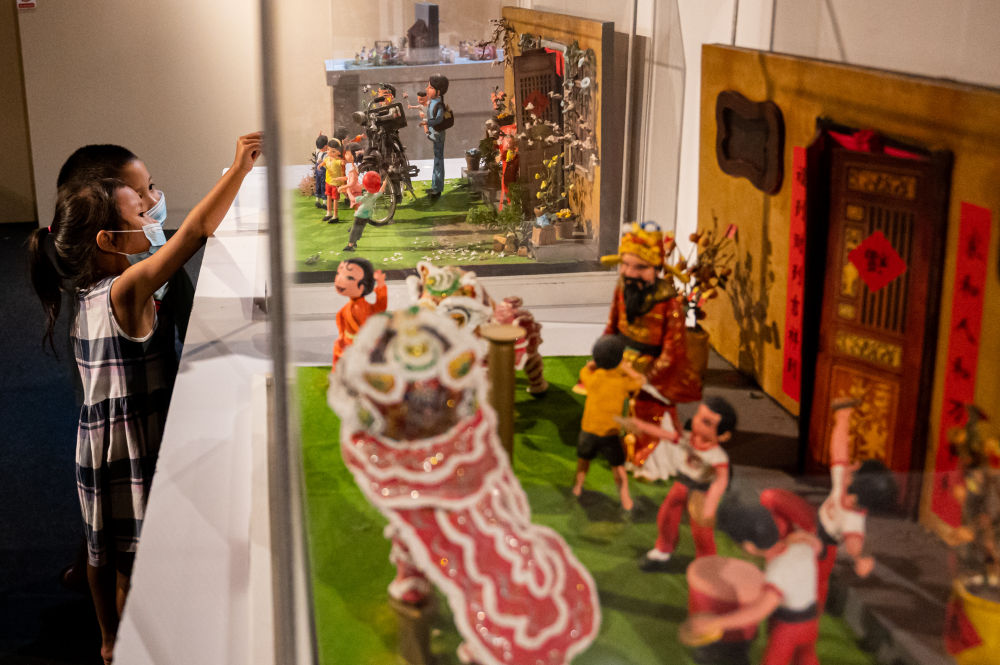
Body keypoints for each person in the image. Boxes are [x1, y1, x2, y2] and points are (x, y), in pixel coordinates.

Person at [28, 132, 262, 665]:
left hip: (98, 448)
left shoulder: (89, 291)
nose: (154, 218)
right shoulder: (126, 290)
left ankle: (108, 638)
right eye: (140, 213)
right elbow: (196, 231)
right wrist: (237, 170)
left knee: (101, 550)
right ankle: (132, 643)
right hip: (133, 445)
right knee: (133, 563)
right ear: (109, 240)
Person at [600, 222, 702, 467]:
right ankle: (626, 443)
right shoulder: (622, 289)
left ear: (656, 268)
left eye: (640, 267)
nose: (630, 273)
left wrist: (649, 375)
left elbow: (673, 348)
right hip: (623, 360)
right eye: (625, 265)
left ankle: (647, 455)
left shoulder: (668, 302)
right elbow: (612, 326)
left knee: (649, 412)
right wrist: (604, 355)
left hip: (653, 368)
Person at [682, 498, 824, 665]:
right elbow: (817, 545)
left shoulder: (777, 573)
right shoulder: (802, 546)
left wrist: (716, 622)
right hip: (811, 621)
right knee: (806, 658)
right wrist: (795, 539)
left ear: (749, 546)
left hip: (788, 627)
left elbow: (759, 610)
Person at [623, 396, 736, 568]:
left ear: (724, 435)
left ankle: (706, 561)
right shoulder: (689, 439)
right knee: (666, 515)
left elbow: (721, 480)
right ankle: (663, 548)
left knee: (701, 529)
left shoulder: (717, 456)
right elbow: (666, 435)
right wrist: (642, 426)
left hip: (702, 491)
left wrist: (711, 503)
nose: (697, 422)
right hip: (683, 482)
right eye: (698, 415)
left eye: (706, 422)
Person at [573, 335, 645, 511]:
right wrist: (627, 369)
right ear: (619, 359)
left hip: (588, 430)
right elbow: (640, 381)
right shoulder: (622, 382)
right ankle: (625, 497)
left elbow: (584, 372)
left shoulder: (593, 378)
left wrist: (591, 365)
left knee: (583, 462)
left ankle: (578, 487)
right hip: (610, 434)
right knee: (618, 468)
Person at [331, 257, 387, 368]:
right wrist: (341, 338)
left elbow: (381, 306)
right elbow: (341, 326)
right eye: (339, 273)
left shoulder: (363, 307)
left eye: (350, 278)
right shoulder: (344, 310)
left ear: (362, 287)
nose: (339, 280)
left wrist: (381, 284)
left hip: (363, 346)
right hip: (349, 344)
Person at [420, 73, 449, 200]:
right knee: (437, 160)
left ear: (438, 91)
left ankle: (437, 188)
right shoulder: (433, 102)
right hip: (434, 133)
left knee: (438, 161)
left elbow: (438, 119)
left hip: (438, 135)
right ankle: (435, 186)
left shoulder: (439, 104)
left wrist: (427, 122)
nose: (427, 89)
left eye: (430, 87)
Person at [343, 170, 386, 252]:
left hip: (360, 216)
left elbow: (352, 199)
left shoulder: (364, 197)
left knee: (355, 230)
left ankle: (351, 244)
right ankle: (352, 243)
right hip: (365, 217)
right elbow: (381, 192)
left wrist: (348, 191)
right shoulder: (374, 196)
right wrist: (384, 184)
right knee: (358, 230)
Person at [322, 137, 346, 222]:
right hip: (328, 182)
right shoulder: (327, 159)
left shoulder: (338, 161)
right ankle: (329, 213)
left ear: (338, 152)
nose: (329, 152)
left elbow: (343, 163)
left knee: (335, 199)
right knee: (328, 197)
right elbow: (324, 163)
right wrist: (320, 165)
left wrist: (344, 161)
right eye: (328, 150)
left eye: (333, 151)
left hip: (335, 184)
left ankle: (335, 216)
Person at [313, 132, 328, 209]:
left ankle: (317, 200)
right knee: (323, 186)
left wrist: (319, 137)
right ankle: (324, 203)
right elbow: (326, 164)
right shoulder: (326, 155)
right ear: (325, 146)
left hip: (318, 173)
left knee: (318, 185)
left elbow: (318, 147)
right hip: (323, 173)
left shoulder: (317, 152)